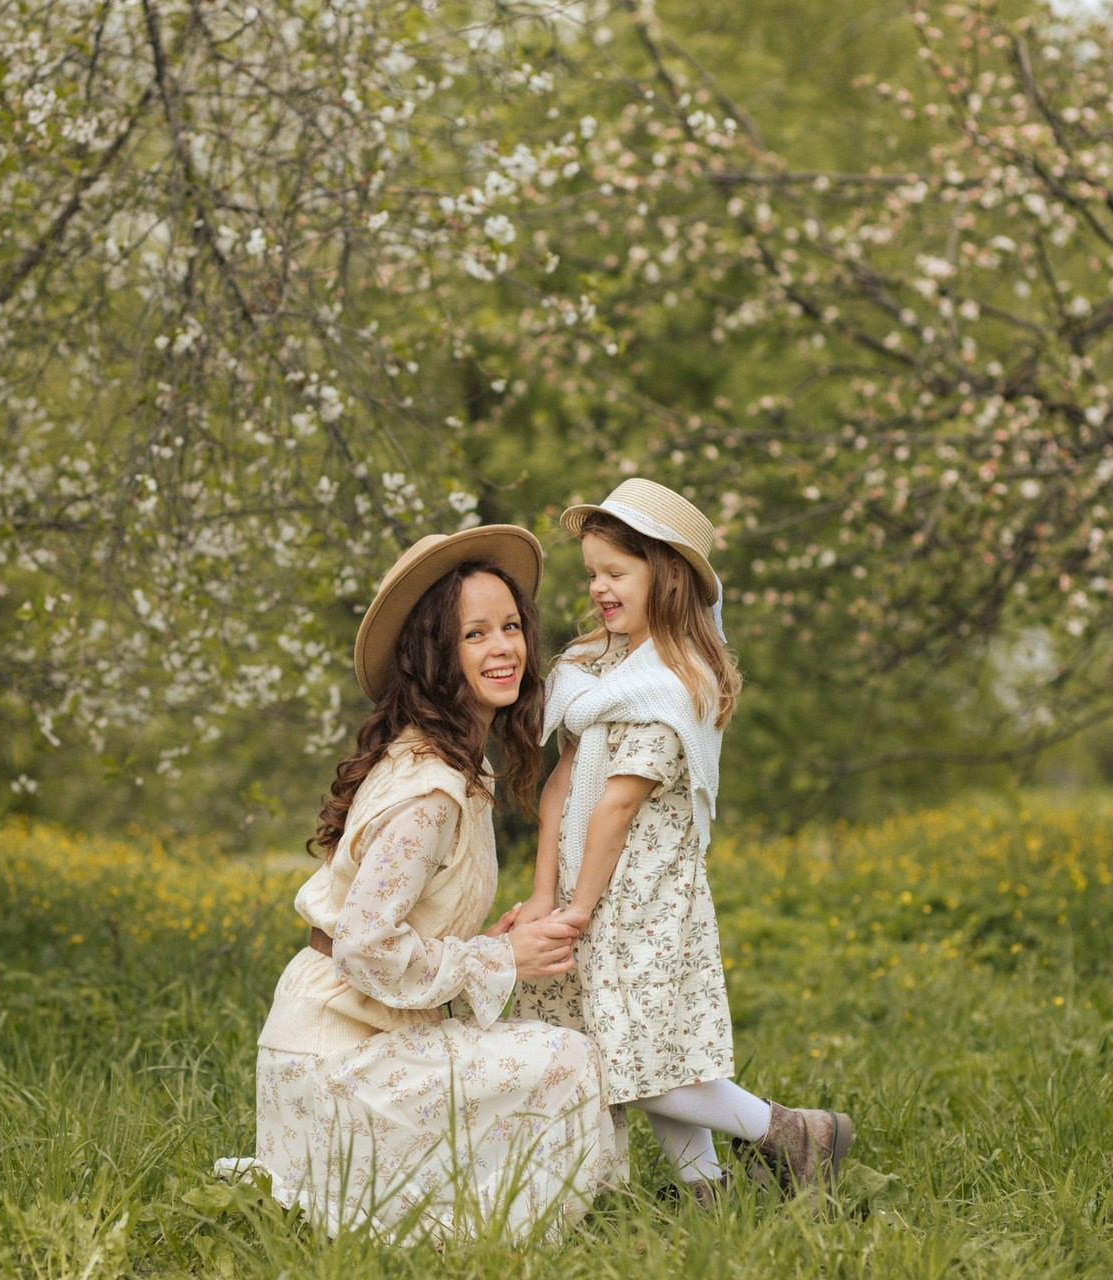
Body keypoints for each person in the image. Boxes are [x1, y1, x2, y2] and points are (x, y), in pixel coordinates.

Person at [215, 525, 626, 1242]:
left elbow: (397, 921)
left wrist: (485, 941)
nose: (503, 648)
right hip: (337, 1066)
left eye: (510, 627)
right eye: (474, 634)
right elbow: (363, 947)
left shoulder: (459, 764)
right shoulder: (431, 789)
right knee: (568, 1057)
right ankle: (509, 1237)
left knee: (551, 1037)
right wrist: (498, 958)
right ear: (437, 654)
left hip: (352, 1046)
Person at [513, 479, 852, 1211]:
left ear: (665, 575)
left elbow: (615, 806)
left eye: (615, 572)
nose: (598, 588)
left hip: (642, 900)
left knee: (634, 1059)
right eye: (592, 573)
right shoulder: (594, 668)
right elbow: (560, 785)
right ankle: (705, 1189)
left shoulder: (674, 683)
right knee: (641, 1048)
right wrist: (544, 893)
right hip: (585, 885)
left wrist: (577, 908)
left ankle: (792, 1132)